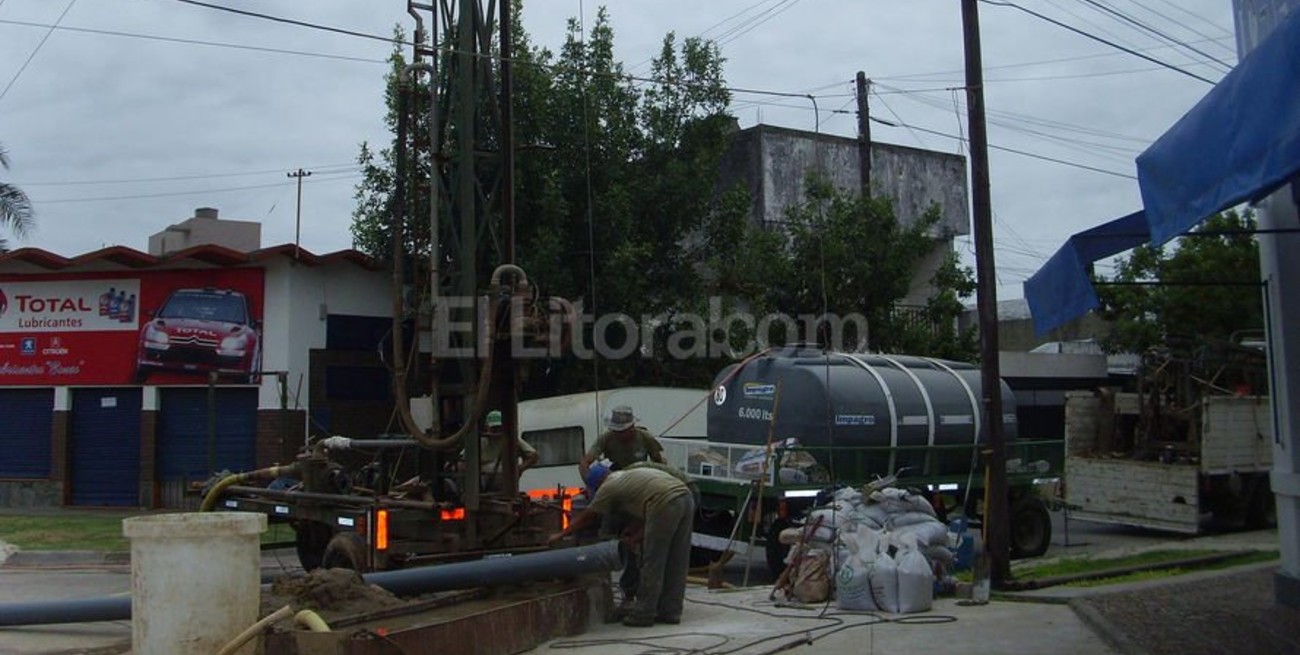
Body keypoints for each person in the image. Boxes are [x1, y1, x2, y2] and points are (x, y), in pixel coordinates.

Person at [550, 466, 694, 627]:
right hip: (685, 496)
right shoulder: (625, 478)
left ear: (598, 484)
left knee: (653, 560)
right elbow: (651, 513)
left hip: (665, 500)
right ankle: (671, 611)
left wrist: (561, 534)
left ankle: (643, 613)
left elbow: (588, 516)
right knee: (677, 559)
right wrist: (635, 535)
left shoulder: (608, 486)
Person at [578, 405, 665, 482]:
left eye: (622, 431)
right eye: (616, 431)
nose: (618, 434)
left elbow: (659, 462)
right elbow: (585, 463)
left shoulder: (645, 437)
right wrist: (589, 481)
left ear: (632, 428)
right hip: (614, 480)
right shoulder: (606, 438)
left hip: (639, 480)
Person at [476, 409, 539, 493]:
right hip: (482, 484)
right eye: (494, 428)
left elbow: (533, 455)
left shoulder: (511, 439)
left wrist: (520, 468)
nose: (497, 431)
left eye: (499, 428)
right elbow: (462, 463)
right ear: (487, 428)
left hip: (506, 484)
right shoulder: (480, 442)